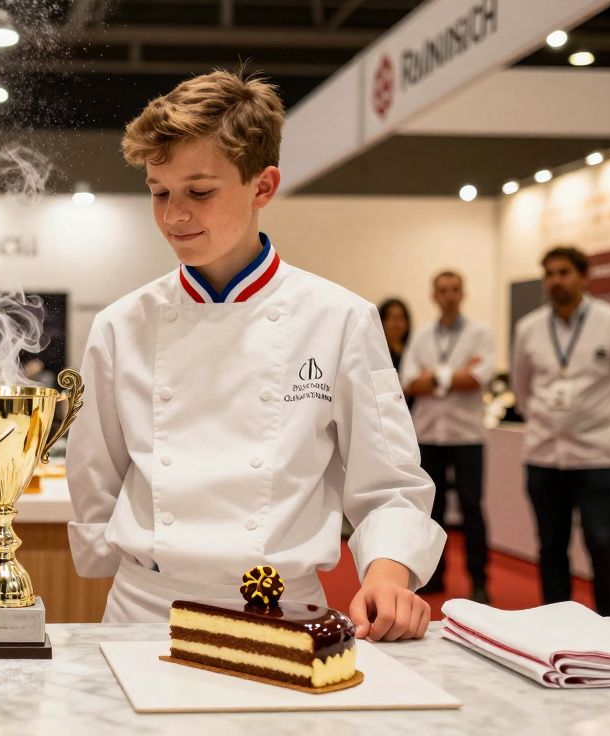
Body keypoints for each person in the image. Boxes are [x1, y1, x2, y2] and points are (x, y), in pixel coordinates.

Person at [66, 69, 444, 641]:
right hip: (145, 614)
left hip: (282, 612)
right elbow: (97, 479)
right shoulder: (122, 325)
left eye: (199, 192)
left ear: (263, 187)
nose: (174, 216)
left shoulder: (339, 318)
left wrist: (389, 575)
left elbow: (389, 484)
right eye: (159, 192)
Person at [512, 245, 610, 616]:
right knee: (551, 547)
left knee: (603, 544)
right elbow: (522, 390)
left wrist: (593, 421)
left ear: (583, 276)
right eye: (549, 274)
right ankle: (556, 624)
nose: (556, 281)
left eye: (564, 272)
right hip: (544, 455)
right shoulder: (529, 327)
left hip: (596, 456)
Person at [400, 272, 494, 603]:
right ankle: (434, 576)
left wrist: (434, 377)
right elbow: (409, 382)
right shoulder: (422, 335)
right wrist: (454, 375)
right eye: (442, 290)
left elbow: (478, 379)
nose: (449, 295)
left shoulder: (480, 333)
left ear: (463, 293)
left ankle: (479, 579)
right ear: (433, 295)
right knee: (432, 509)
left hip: (466, 435)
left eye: (455, 289)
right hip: (428, 435)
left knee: (471, 508)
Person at [379, 298, 412, 373]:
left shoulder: (413, 352)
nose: (396, 323)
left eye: (400, 317)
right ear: (380, 321)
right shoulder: (375, 353)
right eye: (391, 317)